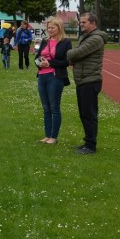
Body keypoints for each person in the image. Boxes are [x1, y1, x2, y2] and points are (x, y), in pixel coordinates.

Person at [66, 12, 108, 154]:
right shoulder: (87, 37)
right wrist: (73, 55)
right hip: (83, 80)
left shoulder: (96, 39)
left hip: (90, 80)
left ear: (93, 24)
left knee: (89, 114)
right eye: (80, 22)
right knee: (84, 114)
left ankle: (91, 146)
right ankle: (87, 142)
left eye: (84, 22)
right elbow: (77, 54)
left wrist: (70, 53)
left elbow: (77, 53)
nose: (81, 24)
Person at [35, 17, 72, 145]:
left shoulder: (66, 42)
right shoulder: (45, 41)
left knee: (54, 107)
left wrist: (49, 62)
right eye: (48, 27)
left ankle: (54, 137)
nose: (50, 30)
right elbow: (37, 57)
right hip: (42, 76)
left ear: (59, 27)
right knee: (46, 108)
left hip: (55, 77)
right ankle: (47, 135)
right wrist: (40, 64)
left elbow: (66, 61)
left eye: (52, 27)